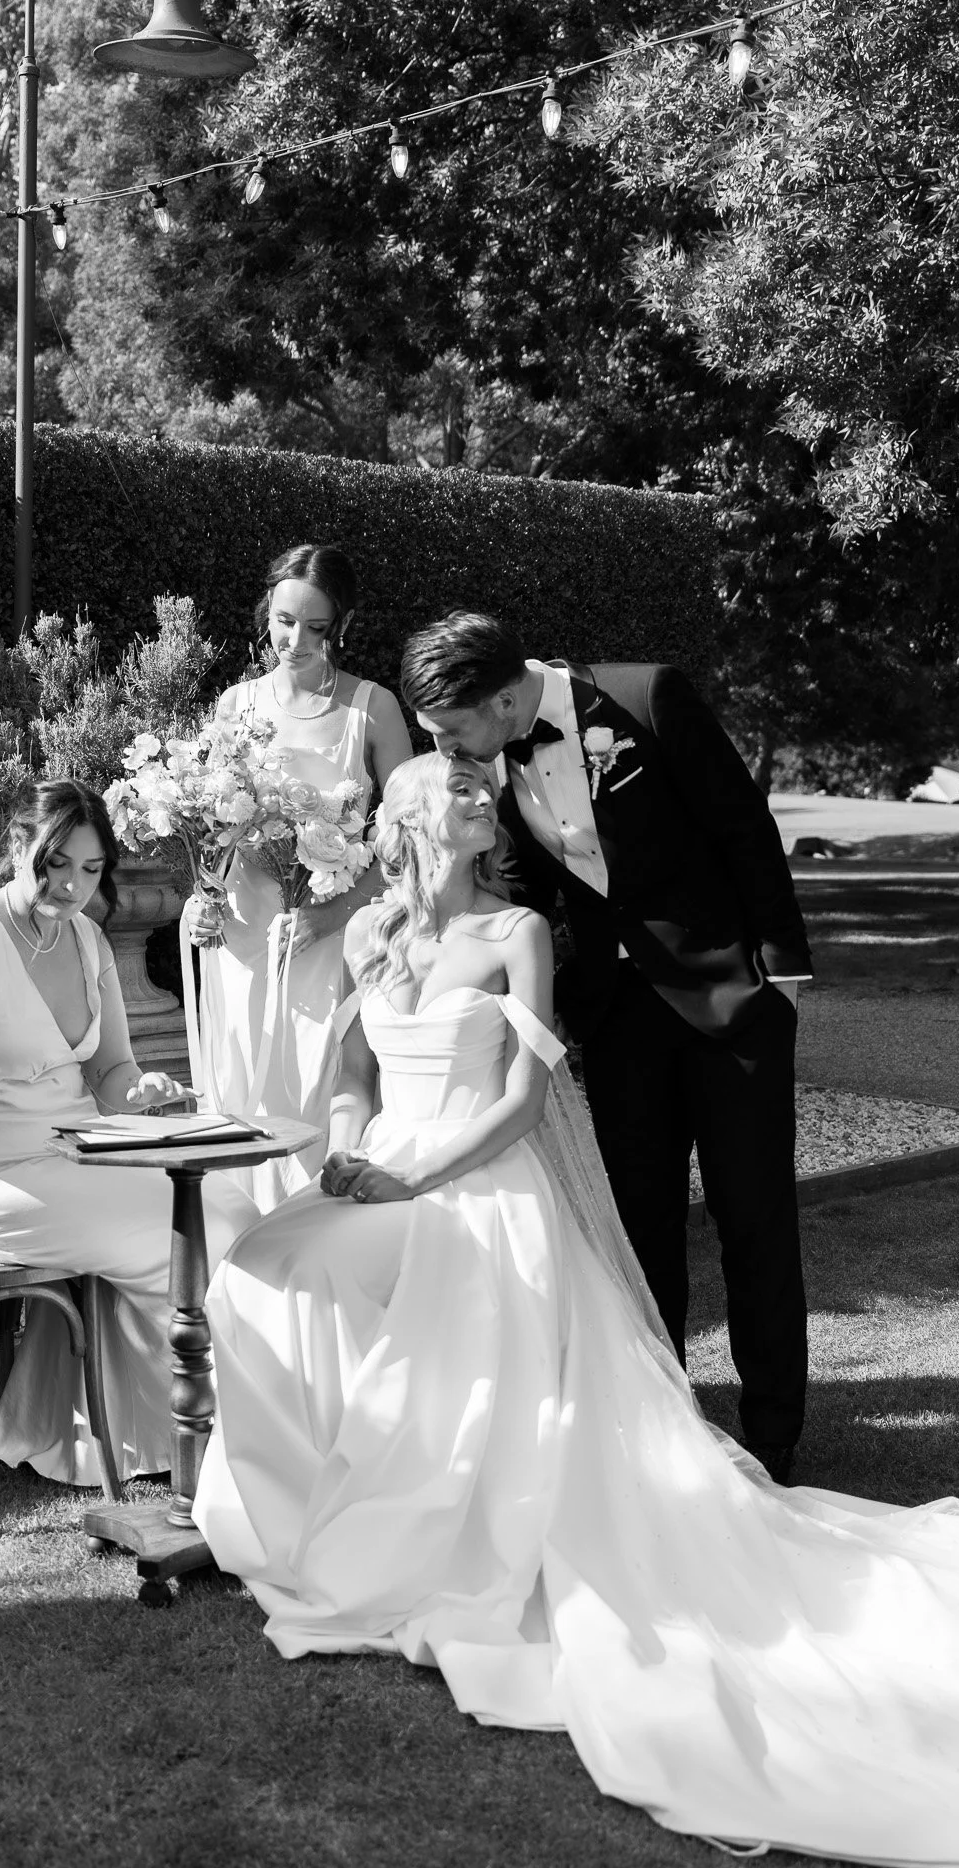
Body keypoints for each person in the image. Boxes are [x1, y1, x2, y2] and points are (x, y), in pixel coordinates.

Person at [194, 755, 959, 1866]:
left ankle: (420, 1513)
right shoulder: (372, 932)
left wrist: (414, 1175)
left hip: (475, 1179)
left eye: (483, 790)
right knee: (260, 1263)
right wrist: (347, 1149)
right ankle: (304, 1493)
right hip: (379, 1167)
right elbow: (350, 1076)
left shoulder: (516, 931)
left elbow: (523, 1098)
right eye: (457, 787)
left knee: (401, 1283)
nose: (482, 798)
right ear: (404, 817)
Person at [399, 612, 811, 1485]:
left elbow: (741, 823)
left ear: (503, 700)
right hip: (616, 1017)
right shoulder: (489, 760)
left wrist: (779, 973)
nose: (441, 748)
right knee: (639, 1223)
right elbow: (524, 883)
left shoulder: (645, 696)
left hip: (728, 996)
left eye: (449, 729)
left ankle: (774, 1430)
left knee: (753, 1217)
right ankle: (664, 1419)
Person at [0, 777, 257, 1488]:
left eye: (89, 868)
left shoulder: (86, 938)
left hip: (81, 1155)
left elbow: (111, 1070)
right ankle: (223, 1438)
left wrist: (141, 1092)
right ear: (19, 845)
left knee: (229, 1205)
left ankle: (186, 1429)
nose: (73, 886)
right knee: (181, 1238)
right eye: (56, 864)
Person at [187, 543, 412, 1211]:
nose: (295, 641)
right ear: (267, 612)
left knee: (319, 1078)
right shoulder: (235, 704)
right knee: (241, 1077)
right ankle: (235, 1231)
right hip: (242, 934)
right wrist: (203, 895)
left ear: (343, 624)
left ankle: (316, 1231)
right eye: (284, 622)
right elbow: (211, 824)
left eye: (316, 627)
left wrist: (333, 915)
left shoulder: (373, 709)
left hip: (332, 930)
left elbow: (408, 839)